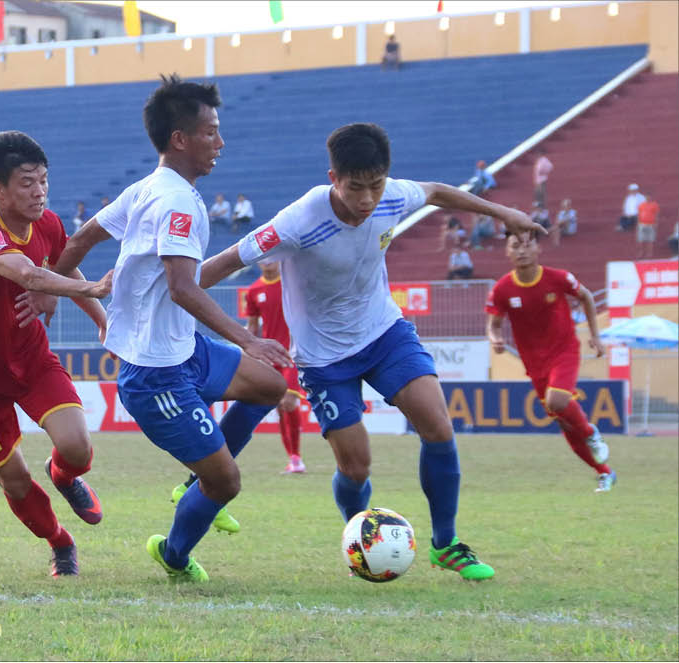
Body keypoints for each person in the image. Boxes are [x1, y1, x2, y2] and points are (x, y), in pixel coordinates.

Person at [200, 122, 547, 581]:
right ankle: (359, 540)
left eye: (376, 186)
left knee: (438, 427)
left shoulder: (394, 195)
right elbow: (218, 266)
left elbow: (438, 191)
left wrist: (504, 213)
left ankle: (445, 543)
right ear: (333, 178)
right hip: (324, 358)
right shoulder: (297, 221)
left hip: (384, 333)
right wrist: (165, 293)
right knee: (356, 467)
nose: (367, 199)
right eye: (355, 188)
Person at [34, 75, 290, 582]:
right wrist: (247, 338)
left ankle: (196, 480)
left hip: (185, 351)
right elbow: (182, 288)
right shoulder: (175, 202)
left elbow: (81, 239)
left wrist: (51, 287)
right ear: (180, 139)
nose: (220, 142)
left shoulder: (145, 189)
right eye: (210, 132)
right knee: (227, 483)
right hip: (156, 377)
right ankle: (174, 554)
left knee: (270, 385)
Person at [0, 130, 113, 577]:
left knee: (77, 447)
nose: (40, 192)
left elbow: (63, 264)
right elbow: (28, 273)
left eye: (44, 181)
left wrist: (100, 318)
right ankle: (60, 542)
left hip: (30, 359)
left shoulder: (48, 223)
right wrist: (91, 289)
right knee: (13, 480)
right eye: (27, 183)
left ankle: (64, 475)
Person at [486, 231, 613, 492]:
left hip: (564, 351)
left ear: (538, 249)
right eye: (515, 246)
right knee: (564, 422)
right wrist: (495, 338)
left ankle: (591, 433)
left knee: (557, 402)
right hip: (534, 364)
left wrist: (595, 336)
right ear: (507, 252)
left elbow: (587, 297)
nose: (521, 250)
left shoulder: (558, 278)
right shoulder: (502, 289)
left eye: (527, 245)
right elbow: (493, 324)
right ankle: (605, 472)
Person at [244, 260, 306, 473]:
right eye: (263, 257)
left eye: (272, 256)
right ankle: (294, 459)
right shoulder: (254, 291)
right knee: (281, 407)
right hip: (270, 357)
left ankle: (296, 457)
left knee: (288, 401)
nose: (268, 260)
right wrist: (249, 352)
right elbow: (252, 327)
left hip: (292, 354)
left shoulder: (291, 283)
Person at [636, 192, 659, 259]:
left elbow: (656, 215)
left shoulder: (654, 205)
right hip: (642, 224)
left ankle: (649, 253)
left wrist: (656, 223)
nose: (648, 198)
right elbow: (639, 215)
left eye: (649, 196)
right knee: (641, 240)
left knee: (650, 240)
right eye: (646, 196)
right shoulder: (641, 205)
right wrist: (638, 224)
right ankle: (641, 252)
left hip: (651, 224)